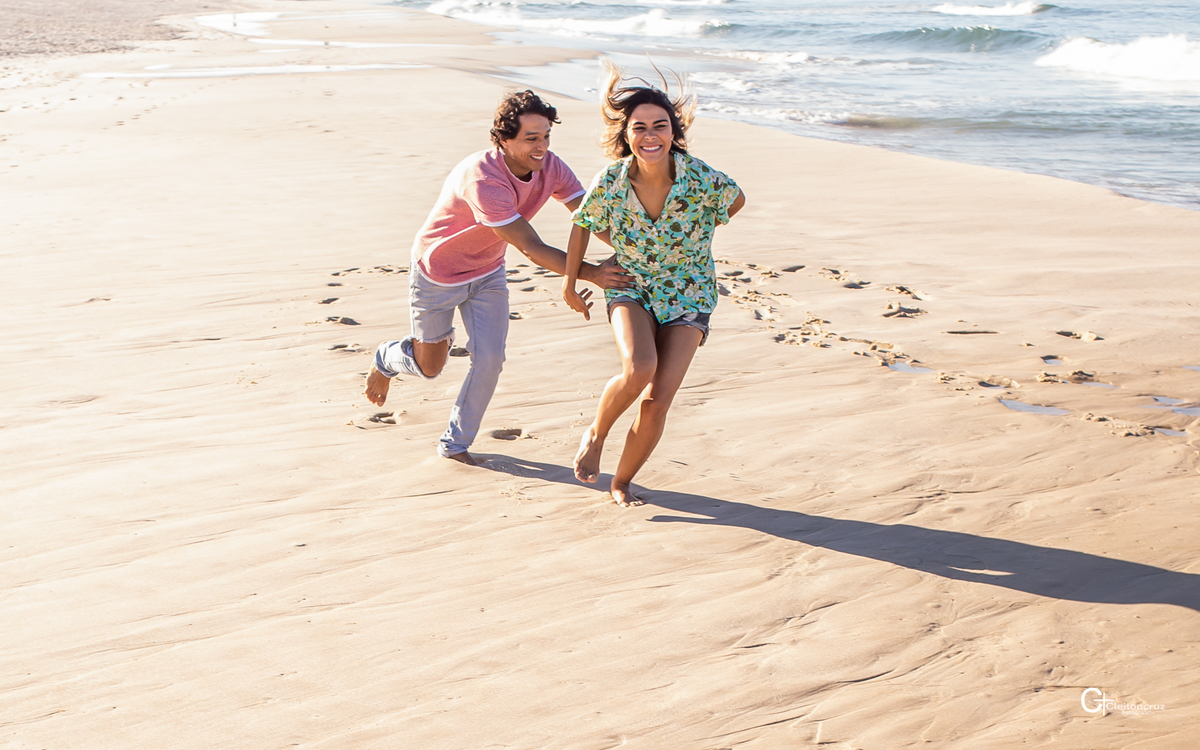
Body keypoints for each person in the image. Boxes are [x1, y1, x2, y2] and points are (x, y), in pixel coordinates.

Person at [366, 90, 631, 465]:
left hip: (488, 271)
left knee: (490, 358)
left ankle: (455, 443)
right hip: (438, 274)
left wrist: (640, 248)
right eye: (531, 139)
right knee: (430, 367)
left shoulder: (550, 166)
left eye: (546, 136)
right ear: (503, 140)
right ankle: (387, 357)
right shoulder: (484, 179)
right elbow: (530, 245)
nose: (542, 147)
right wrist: (592, 274)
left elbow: (591, 215)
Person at [562, 63, 746, 506]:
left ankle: (622, 482)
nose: (650, 135)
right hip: (632, 285)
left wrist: (697, 237)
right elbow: (582, 225)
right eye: (639, 127)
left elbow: (734, 199)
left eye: (659, 126)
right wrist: (571, 284)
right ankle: (597, 432)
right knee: (639, 368)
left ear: (672, 132)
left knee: (658, 400)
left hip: (690, 293)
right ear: (626, 135)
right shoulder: (610, 181)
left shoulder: (698, 176)